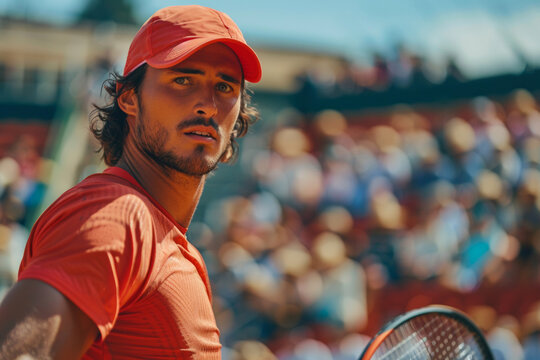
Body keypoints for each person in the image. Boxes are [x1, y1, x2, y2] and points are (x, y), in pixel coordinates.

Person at [0, 5, 262, 359]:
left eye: (225, 86)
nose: (209, 105)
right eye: (183, 79)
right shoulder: (118, 214)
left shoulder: (160, 233)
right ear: (128, 98)